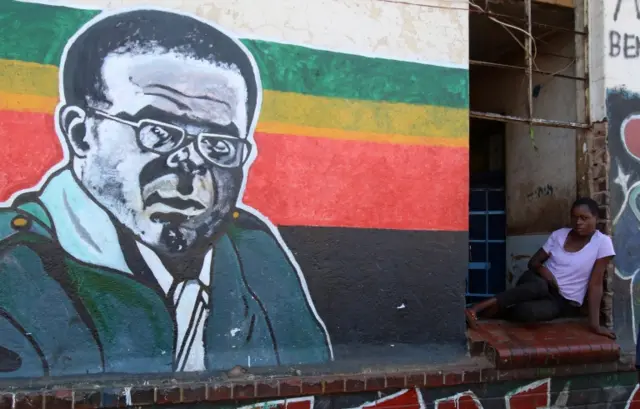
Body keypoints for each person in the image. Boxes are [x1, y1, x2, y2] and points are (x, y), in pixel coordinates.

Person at [0, 8, 332, 378]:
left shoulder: (252, 250)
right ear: (80, 134)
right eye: (157, 131)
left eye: (219, 145)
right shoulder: (14, 268)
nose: (189, 164)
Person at [465, 197, 616, 339]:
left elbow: (595, 284)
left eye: (584, 218)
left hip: (561, 300)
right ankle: (475, 309)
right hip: (536, 281)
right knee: (539, 286)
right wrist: (547, 274)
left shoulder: (602, 243)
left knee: (529, 313)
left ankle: (493, 311)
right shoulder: (559, 235)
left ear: (596, 218)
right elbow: (534, 262)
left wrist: (595, 325)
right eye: (574, 217)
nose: (578, 222)